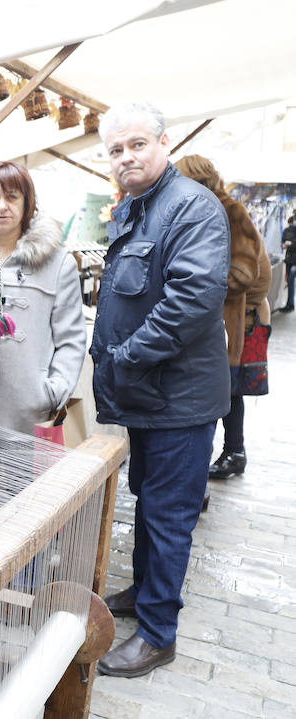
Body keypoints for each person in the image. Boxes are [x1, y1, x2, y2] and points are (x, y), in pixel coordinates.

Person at [90, 103, 230, 678]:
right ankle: (146, 590)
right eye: (115, 150)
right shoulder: (138, 207)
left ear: (164, 143)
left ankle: (157, 633)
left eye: (137, 144)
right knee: (149, 501)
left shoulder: (191, 206)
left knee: (169, 514)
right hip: (149, 396)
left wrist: (125, 358)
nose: (126, 157)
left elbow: (192, 300)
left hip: (179, 399)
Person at [0, 161, 87, 435]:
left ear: (27, 203)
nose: (1, 206)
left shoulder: (57, 263)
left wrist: (52, 391)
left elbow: (71, 339)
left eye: (11, 197)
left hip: (29, 413)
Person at [175, 155, 271, 484]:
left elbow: (245, 272)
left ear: (197, 180)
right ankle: (228, 453)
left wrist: (198, 288)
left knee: (227, 388)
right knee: (226, 388)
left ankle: (231, 452)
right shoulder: (203, 209)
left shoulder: (228, 210)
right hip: (225, 317)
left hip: (235, 320)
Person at [282, 213, 296, 312]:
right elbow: (282, 241)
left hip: (292, 260)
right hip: (289, 259)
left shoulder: (287, 230)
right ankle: (290, 304)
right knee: (290, 282)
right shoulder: (286, 230)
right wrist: (284, 245)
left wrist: (290, 245)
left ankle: (290, 304)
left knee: (290, 281)